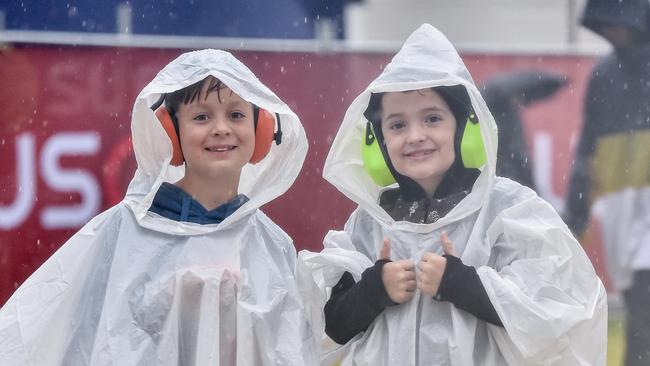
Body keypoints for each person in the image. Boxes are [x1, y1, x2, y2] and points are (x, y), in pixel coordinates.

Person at [298, 24, 607, 365]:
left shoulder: (507, 211)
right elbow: (333, 328)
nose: (415, 135)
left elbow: (555, 318)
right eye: (397, 125)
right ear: (378, 143)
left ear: (465, 129)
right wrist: (373, 290)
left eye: (432, 119)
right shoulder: (369, 221)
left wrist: (466, 285)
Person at [0, 49, 317, 365]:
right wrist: (170, 302)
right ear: (171, 133)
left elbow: (289, 350)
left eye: (236, 115)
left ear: (261, 130)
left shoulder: (272, 244)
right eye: (201, 116)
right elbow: (77, 339)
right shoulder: (123, 231)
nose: (221, 128)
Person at [564, 1, 650, 365]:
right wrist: (575, 215)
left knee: (644, 308)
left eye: (620, 24)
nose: (614, 33)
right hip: (622, 207)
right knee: (638, 308)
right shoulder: (605, 75)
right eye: (607, 25)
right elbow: (587, 149)